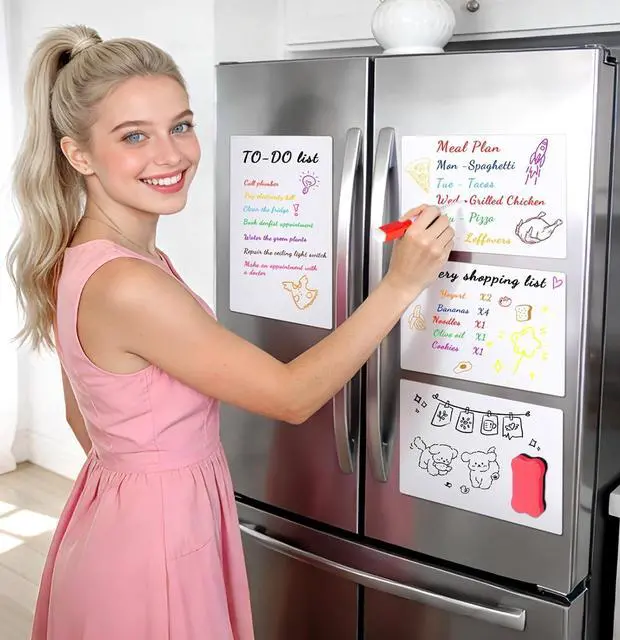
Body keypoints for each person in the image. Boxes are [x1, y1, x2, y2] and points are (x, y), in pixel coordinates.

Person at [6, 24, 454, 640]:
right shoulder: (128, 284)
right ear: (78, 155)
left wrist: (151, 489)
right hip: (157, 551)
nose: (171, 155)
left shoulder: (87, 256)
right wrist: (401, 285)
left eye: (180, 126)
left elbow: (81, 418)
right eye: (134, 136)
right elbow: (292, 396)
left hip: (125, 528)